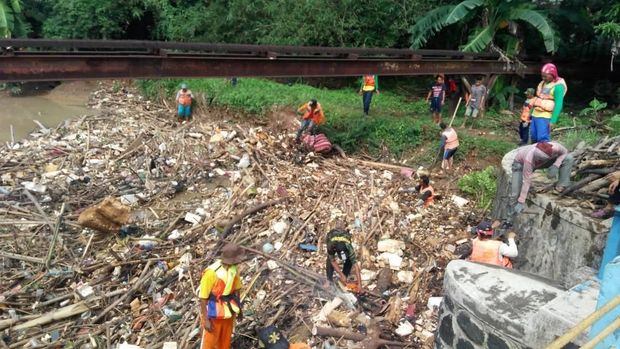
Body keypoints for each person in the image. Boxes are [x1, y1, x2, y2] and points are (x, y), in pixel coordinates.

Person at [199, 243, 245, 349]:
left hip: (229, 311)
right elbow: (203, 297)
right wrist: (206, 320)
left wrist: (239, 310)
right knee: (209, 343)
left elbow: (236, 290)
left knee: (225, 342)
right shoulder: (211, 273)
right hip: (213, 313)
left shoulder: (234, 270)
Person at [511, 141, 574, 214]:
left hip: (545, 160)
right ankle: (509, 217)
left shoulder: (555, 147)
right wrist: (521, 201)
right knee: (515, 192)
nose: (538, 159)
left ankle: (562, 185)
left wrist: (556, 165)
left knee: (568, 158)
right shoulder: (529, 158)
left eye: (540, 158)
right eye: (537, 158)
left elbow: (565, 152)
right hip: (520, 164)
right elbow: (527, 180)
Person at [530, 63, 568, 143]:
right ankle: (535, 154)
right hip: (535, 114)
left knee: (542, 139)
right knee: (533, 137)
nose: (543, 78)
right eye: (542, 76)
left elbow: (558, 104)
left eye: (545, 76)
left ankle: (544, 154)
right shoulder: (544, 83)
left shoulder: (558, 86)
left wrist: (553, 121)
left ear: (552, 75)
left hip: (545, 117)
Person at [325, 228, 362, 293]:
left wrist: (360, 284)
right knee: (329, 259)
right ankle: (329, 280)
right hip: (332, 237)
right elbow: (332, 261)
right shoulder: (330, 245)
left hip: (343, 235)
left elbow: (356, 265)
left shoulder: (348, 246)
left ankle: (344, 277)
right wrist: (340, 273)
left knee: (349, 260)